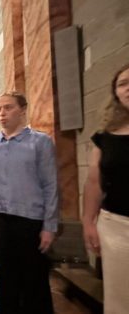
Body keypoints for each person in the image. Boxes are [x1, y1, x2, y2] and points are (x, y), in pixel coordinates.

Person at [0, 92, 58, 314]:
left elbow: (50, 185)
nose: (1, 113)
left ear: (22, 109)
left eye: (8, 108)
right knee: (6, 276)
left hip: (30, 220)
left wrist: (49, 225)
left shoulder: (41, 142)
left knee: (34, 278)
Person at [83, 64, 129, 314]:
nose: (128, 88)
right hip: (117, 226)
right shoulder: (106, 136)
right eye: (122, 83)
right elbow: (94, 181)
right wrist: (89, 221)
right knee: (120, 299)